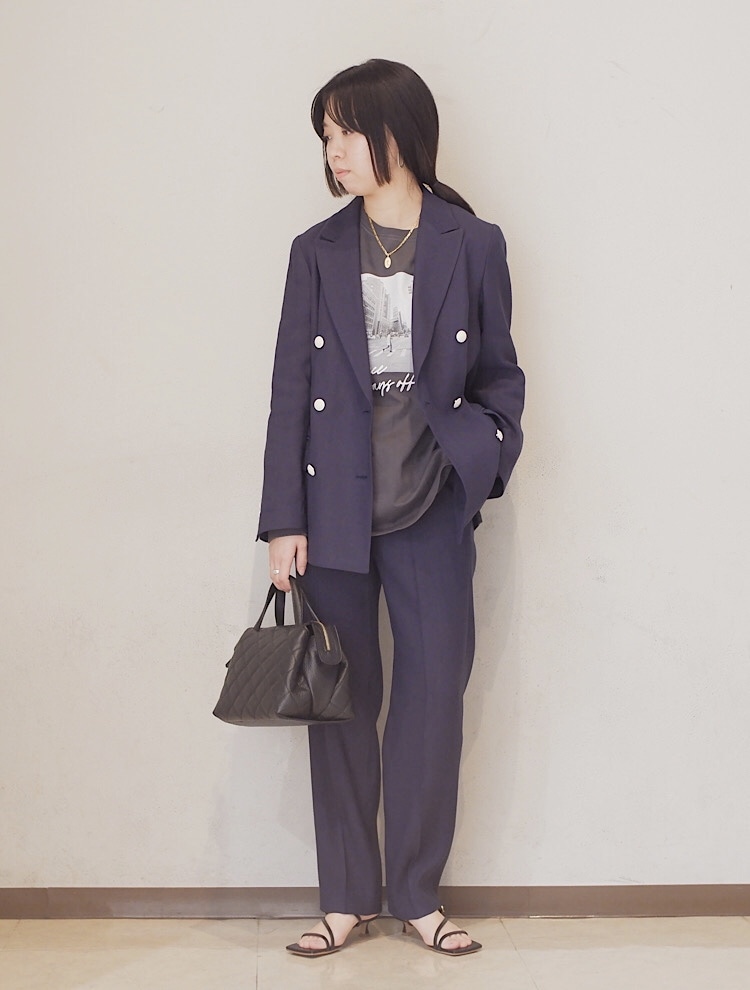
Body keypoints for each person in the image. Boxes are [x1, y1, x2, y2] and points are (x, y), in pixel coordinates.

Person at [257, 58, 525, 957]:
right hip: (332, 513)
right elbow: (287, 395)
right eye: (326, 136)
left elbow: (501, 375)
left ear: (398, 133)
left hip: (432, 508)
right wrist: (282, 521)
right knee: (340, 708)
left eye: (347, 132)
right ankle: (346, 900)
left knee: (431, 703)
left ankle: (416, 895)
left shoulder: (472, 242)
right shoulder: (316, 250)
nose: (334, 151)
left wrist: (485, 458)